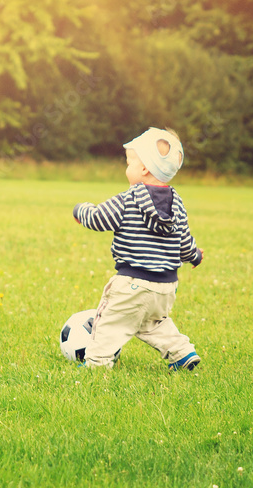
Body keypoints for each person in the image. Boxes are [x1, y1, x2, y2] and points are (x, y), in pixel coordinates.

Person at [72, 127, 205, 370]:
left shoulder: (128, 199)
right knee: (153, 322)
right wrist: (194, 256)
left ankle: (97, 363)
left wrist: (81, 210)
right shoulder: (178, 204)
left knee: (109, 322)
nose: (127, 167)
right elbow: (184, 242)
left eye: (129, 162)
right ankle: (183, 353)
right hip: (165, 288)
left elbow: (98, 218)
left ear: (144, 168)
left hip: (133, 283)